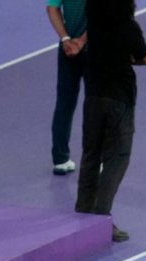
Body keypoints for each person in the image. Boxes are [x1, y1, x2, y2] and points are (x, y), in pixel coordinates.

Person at [76, 0, 146, 243]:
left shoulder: (94, 26)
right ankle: (101, 216)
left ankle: (83, 210)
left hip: (93, 95)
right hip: (119, 98)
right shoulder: (129, 27)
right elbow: (145, 58)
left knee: (91, 154)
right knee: (117, 158)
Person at [47, 0, 88, 175]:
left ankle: (60, 159)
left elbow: (52, 8)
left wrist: (65, 39)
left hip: (67, 50)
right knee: (96, 103)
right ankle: (96, 159)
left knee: (64, 103)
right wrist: (81, 41)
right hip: (93, 49)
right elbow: (103, 15)